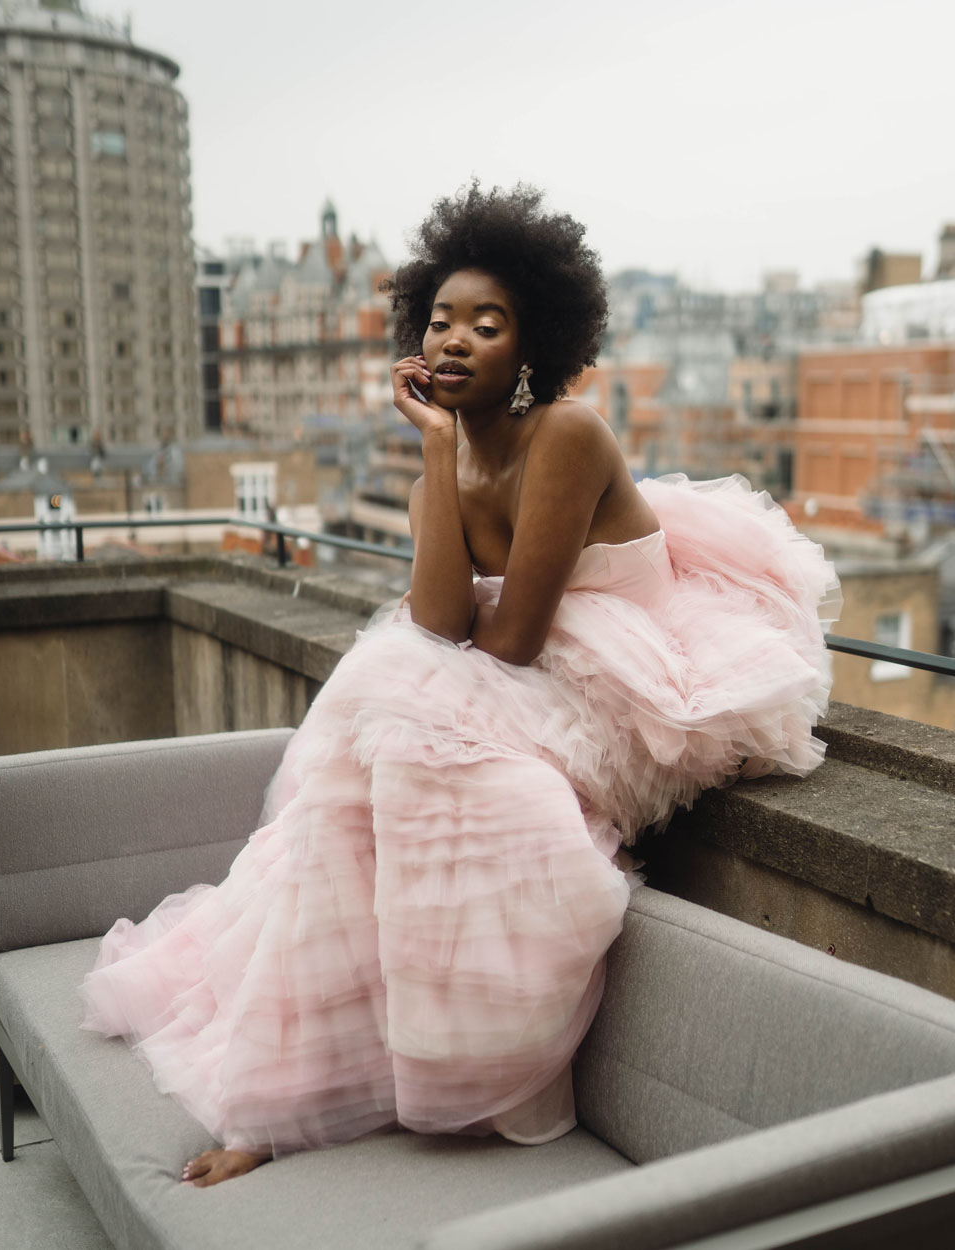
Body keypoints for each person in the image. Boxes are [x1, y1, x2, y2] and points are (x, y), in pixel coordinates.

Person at [80, 184, 840, 1187]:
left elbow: (513, 637)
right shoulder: (439, 463)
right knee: (361, 749)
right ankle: (287, 1090)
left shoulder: (565, 434)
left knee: (403, 727)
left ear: (532, 346)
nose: (457, 338)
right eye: (440, 318)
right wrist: (435, 452)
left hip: (620, 670)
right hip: (509, 667)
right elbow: (439, 622)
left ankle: (463, 1062)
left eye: (490, 322)